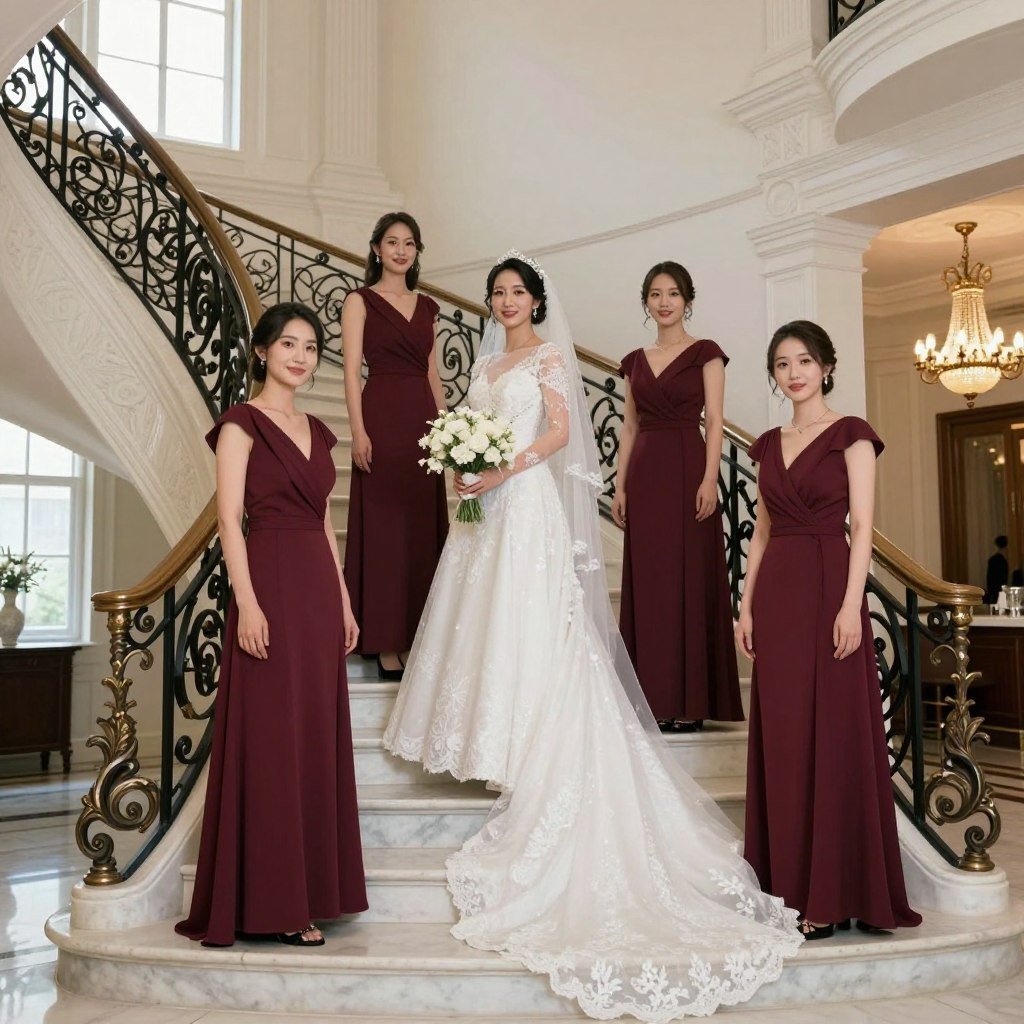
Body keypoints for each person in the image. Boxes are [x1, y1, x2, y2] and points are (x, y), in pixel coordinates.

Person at [383, 252, 802, 1020]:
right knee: (478, 619)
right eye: (498, 292)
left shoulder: (548, 355)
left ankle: (526, 742)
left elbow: (558, 431)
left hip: (524, 502)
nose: (507, 301)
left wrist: (501, 468)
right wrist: (462, 469)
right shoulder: (484, 363)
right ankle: (481, 741)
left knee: (530, 621)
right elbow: (466, 428)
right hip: (482, 509)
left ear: (536, 300)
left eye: (518, 291)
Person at [176, 303, 367, 948]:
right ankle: (277, 902)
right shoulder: (241, 424)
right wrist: (248, 602)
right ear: (262, 351)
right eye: (288, 344)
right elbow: (229, 520)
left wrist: (343, 601)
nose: (300, 357)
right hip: (268, 584)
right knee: (274, 740)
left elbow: (324, 524)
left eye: (310, 347)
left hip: (315, 591)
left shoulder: (319, 430)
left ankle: (316, 892)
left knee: (314, 737)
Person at [736, 319, 921, 940]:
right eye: (782, 364)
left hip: (830, 590)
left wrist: (851, 605)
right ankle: (787, 887)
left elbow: (862, 527)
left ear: (826, 367)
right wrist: (746, 607)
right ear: (774, 374)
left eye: (805, 361)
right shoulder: (767, 444)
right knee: (786, 739)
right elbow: (761, 532)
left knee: (832, 738)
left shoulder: (852, 436)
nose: (794, 373)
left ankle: (833, 893)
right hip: (778, 595)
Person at [614, 262, 743, 732]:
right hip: (646, 475)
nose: (664, 302)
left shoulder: (707, 354)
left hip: (689, 471)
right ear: (646, 302)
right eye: (655, 294)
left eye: (672, 293)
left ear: (687, 300)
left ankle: (690, 701)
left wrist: (709, 479)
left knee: (689, 581)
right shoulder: (634, 361)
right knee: (651, 586)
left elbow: (716, 421)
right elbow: (630, 426)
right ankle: (653, 699)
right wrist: (620, 485)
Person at [342, 212, 449, 681]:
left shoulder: (427, 307)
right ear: (377, 249)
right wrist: (359, 431)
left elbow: (433, 373)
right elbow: (351, 372)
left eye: (409, 243)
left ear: (416, 251)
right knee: (386, 531)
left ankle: (418, 636)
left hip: (423, 422)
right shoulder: (359, 301)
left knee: (422, 531)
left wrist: (448, 431)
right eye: (392, 242)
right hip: (381, 416)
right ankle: (385, 640)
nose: (401, 251)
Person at [985, 535, 1009, 604]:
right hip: (1001, 591)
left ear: (996, 545)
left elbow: (989, 579)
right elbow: (1004, 579)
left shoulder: (992, 559)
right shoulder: (1004, 561)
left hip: (993, 591)